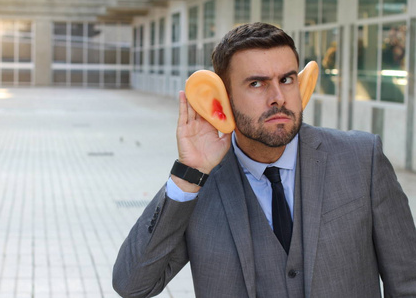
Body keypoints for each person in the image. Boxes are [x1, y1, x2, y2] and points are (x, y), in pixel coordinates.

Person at [113, 22, 416, 298]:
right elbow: (133, 285)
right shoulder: (199, 184)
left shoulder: (362, 159)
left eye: (287, 79)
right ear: (222, 98)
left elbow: (407, 282)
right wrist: (188, 173)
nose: (278, 97)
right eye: (256, 83)